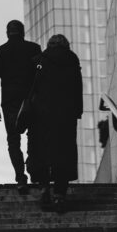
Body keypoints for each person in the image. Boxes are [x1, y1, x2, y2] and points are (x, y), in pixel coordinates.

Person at [30, 33, 83, 213]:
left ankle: (44, 188)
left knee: (42, 152)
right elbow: (77, 86)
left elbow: (31, 88)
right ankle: (60, 194)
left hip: (41, 116)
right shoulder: (72, 59)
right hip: (65, 116)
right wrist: (77, 110)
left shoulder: (38, 60)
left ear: (49, 45)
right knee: (64, 153)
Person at [0, 19, 41, 192]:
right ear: (23, 32)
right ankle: (35, 171)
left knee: (13, 139)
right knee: (34, 136)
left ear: (7, 33)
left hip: (10, 101)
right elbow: (40, 75)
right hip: (31, 99)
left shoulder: (0, 52)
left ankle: (20, 177)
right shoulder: (34, 49)